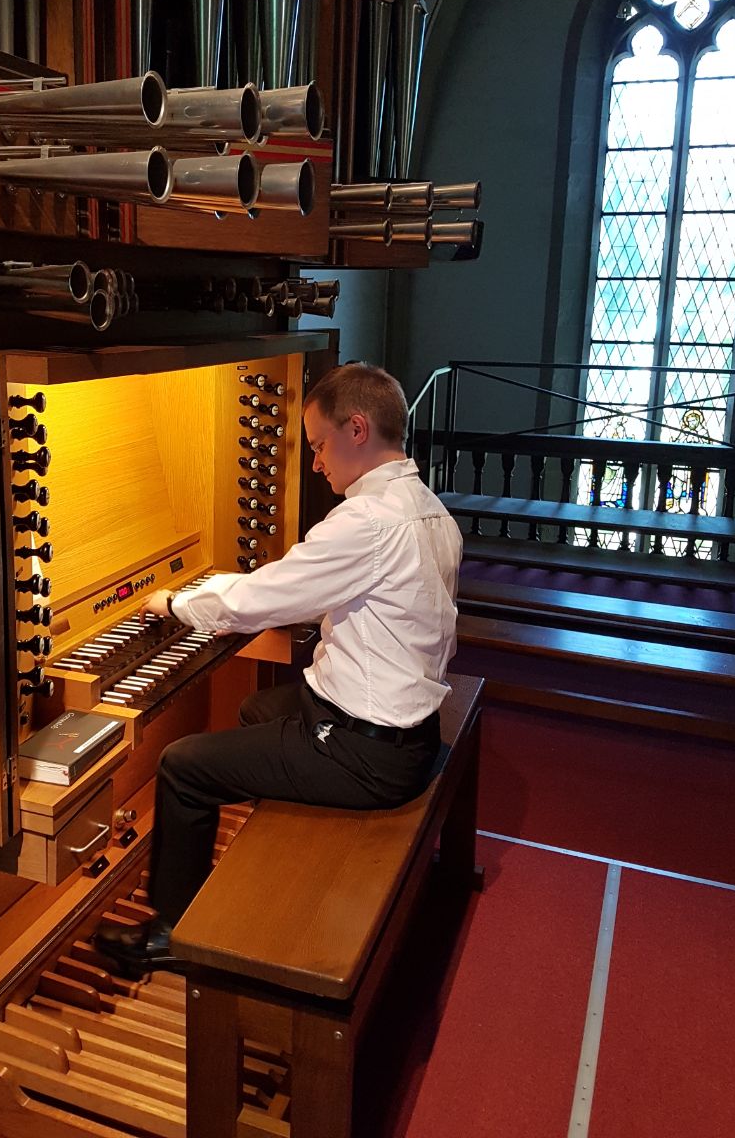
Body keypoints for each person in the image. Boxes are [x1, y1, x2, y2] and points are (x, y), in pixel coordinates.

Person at [96, 362, 462, 970]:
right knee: (256, 709)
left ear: (357, 430)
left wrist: (176, 603)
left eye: (318, 445)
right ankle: (258, 853)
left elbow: (261, 598)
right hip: (404, 730)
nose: (314, 463)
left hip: (367, 753)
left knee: (183, 765)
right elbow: (328, 591)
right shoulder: (427, 509)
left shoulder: (367, 522)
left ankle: (173, 933)